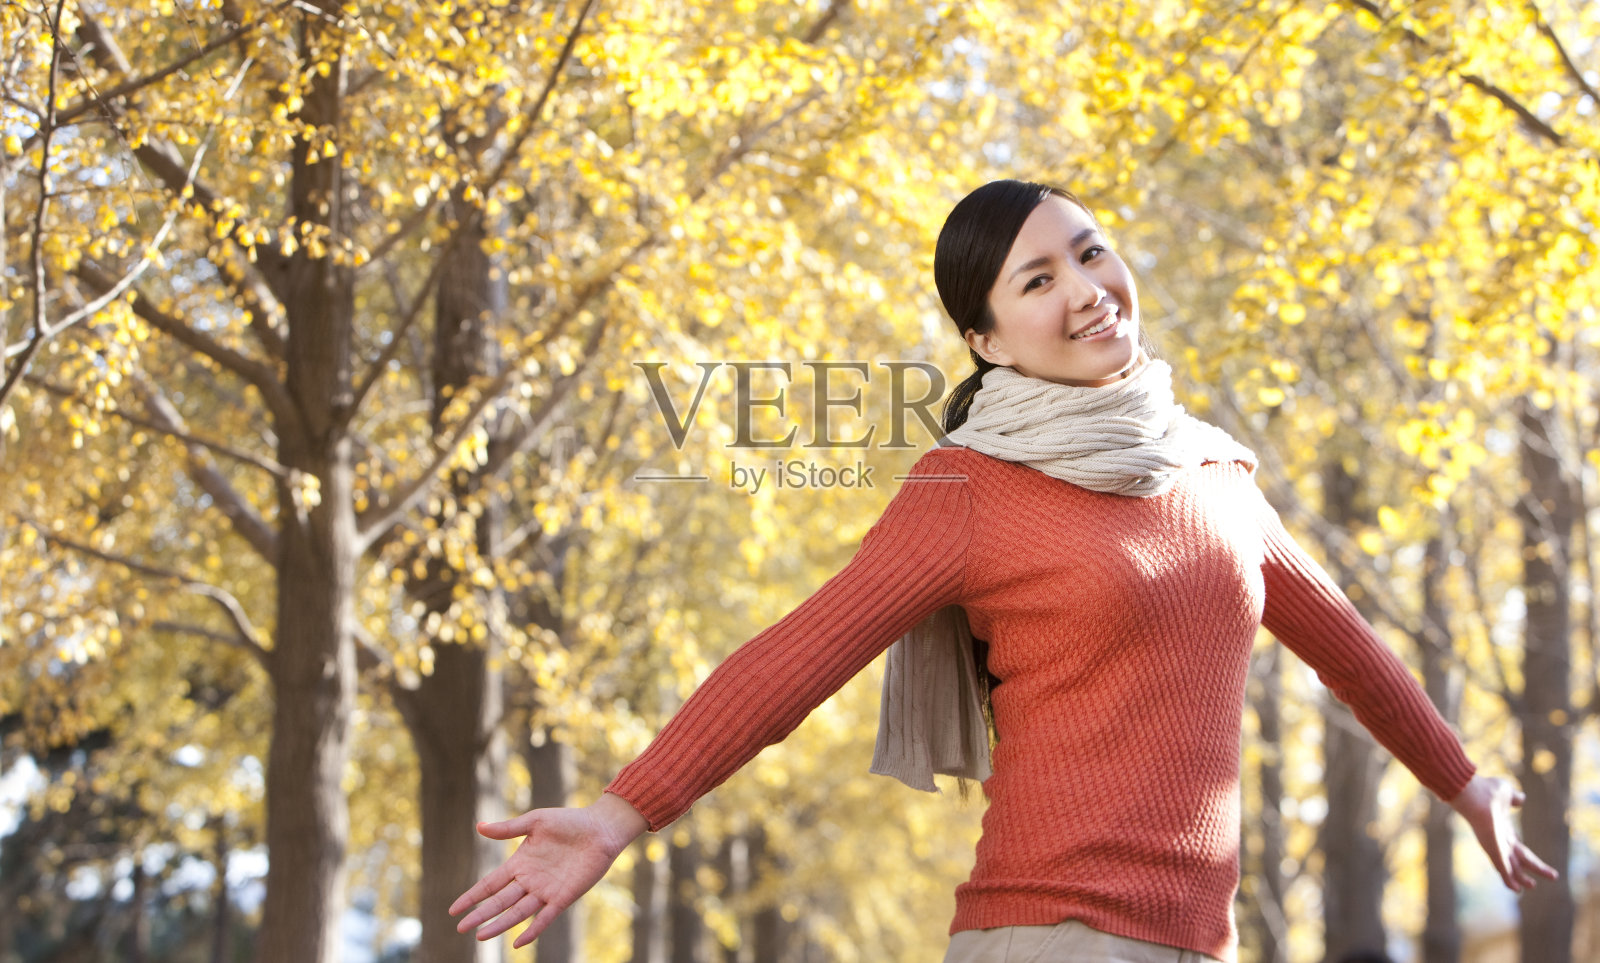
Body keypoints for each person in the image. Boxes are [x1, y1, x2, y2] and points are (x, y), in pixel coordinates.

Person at [450, 180, 1557, 961]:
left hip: (1199, 938)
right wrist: (620, 812)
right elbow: (793, 658)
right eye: (1037, 279)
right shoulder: (968, 487)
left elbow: (1350, 650)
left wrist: (1463, 783)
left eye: (1089, 251)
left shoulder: (1213, 469)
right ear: (987, 340)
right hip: (1050, 933)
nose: (1085, 287)